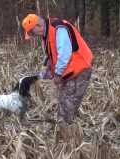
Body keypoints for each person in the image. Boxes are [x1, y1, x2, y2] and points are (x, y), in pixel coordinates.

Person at [21, 14, 93, 142]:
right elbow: (51, 55)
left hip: (79, 70)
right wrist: (42, 73)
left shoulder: (59, 29)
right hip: (69, 72)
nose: (32, 35)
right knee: (63, 104)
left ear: (38, 25)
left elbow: (64, 53)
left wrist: (58, 75)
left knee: (66, 109)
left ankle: (67, 143)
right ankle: (66, 136)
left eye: (32, 32)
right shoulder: (46, 34)